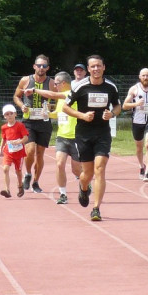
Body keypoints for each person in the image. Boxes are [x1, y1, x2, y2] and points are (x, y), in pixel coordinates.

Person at [61, 55, 121, 221]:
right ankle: (83, 186)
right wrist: (82, 115)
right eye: (93, 66)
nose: (96, 69)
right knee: (86, 174)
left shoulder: (110, 87)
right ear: (88, 69)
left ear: (104, 67)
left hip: (102, 133)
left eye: (99, 66)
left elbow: (117, 106)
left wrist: (112, 114)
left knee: (100, 169)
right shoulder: (80, 86)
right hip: (83, 134)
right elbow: (65, 107)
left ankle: (96, 209)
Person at [13, 54, 66, 194]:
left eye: (44, 66)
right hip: (28, 121)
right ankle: (28, 173)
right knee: (29, 151)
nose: (41, 68)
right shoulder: (25, 80)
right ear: (34, 66)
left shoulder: (51, 83)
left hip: (44, 122)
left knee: (40, 153)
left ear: (47, 68)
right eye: (39, 65)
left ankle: (36, 181)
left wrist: (52, 108)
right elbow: (16, 96)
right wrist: (21, 106)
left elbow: (61, 98)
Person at [123, 67, 148, 181]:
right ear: (139, 77)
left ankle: (147, 172)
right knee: (139, 147)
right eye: (143, 75)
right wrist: (136, 104)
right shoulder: (134, 89)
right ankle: (141, 166)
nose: (145, 77)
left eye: (147, 75)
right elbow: (124, 105)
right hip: (137, 121)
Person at [52, 71, 82, 205]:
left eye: (56, 84)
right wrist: (48, 114)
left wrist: (34, 90)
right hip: (62, 137)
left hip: (75, 137)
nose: (55, 86)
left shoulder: (72, 95)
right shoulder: (60, 99)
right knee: (59, 164)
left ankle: (85, 185)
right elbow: (58, 114)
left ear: (64, 83)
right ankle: (63, 194)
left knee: (76, 169)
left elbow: (51, 94)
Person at [0, 104, 28, 198]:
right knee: (5, 169)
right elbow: (3, 138)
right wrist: (0, 148)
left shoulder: (20, 126)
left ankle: (20, 185)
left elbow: (25, 138)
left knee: (18, 171)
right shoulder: (4, 127)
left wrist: (19, 141)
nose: (9, 115)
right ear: (4, 116)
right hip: (8, 151)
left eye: (11, 113)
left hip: (19, 152)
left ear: (15, 114)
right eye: (7, 114)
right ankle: (7, 190)